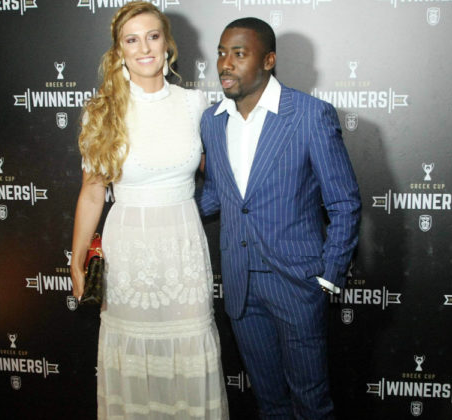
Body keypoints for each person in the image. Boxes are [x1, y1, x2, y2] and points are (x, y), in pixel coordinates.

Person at [197, 18, 361, 420]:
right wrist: (162, 203)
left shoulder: (309, 115)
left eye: (239, 53)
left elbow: (344, 202)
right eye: (221, 53)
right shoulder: (212, 121)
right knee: (269, 403)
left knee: (311, 403)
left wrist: (329, 274)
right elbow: (218, 195)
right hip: (240, 284)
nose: (225, 64)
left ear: (268, 60)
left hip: (297, 284)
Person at [70, 2, 228, 419]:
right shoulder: (102, 111)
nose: (144, 48)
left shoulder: (196, 104)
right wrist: (76, 259)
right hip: (128, 251)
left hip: (183, 247)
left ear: (167, 44)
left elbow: (219, 176)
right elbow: (92, 193)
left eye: (152, 37)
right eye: (132, 40)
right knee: (132, 355)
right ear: (119, 50)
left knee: (188, 348)